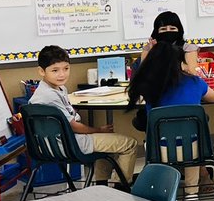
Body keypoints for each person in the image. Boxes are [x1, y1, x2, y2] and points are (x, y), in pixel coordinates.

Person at [28, 46, 139, 187]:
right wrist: (99, 129)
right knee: (129, 144)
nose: (62, 74)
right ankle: (121, 188)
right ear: (41, 71)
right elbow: (73, 126)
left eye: (66, 68)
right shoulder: (50, 96)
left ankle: (101, 185)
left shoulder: (49, 90)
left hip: (50, 146)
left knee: (108, 143)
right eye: (55, 70)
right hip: (69, 145)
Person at [127, 40, 214, 201]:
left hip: (159, 150)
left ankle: (167, 192)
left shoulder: (148, 87)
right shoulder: (194, 82)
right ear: (180, 62)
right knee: (192, 140)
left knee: (161, 141)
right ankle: (192, 193)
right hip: (194, 150)